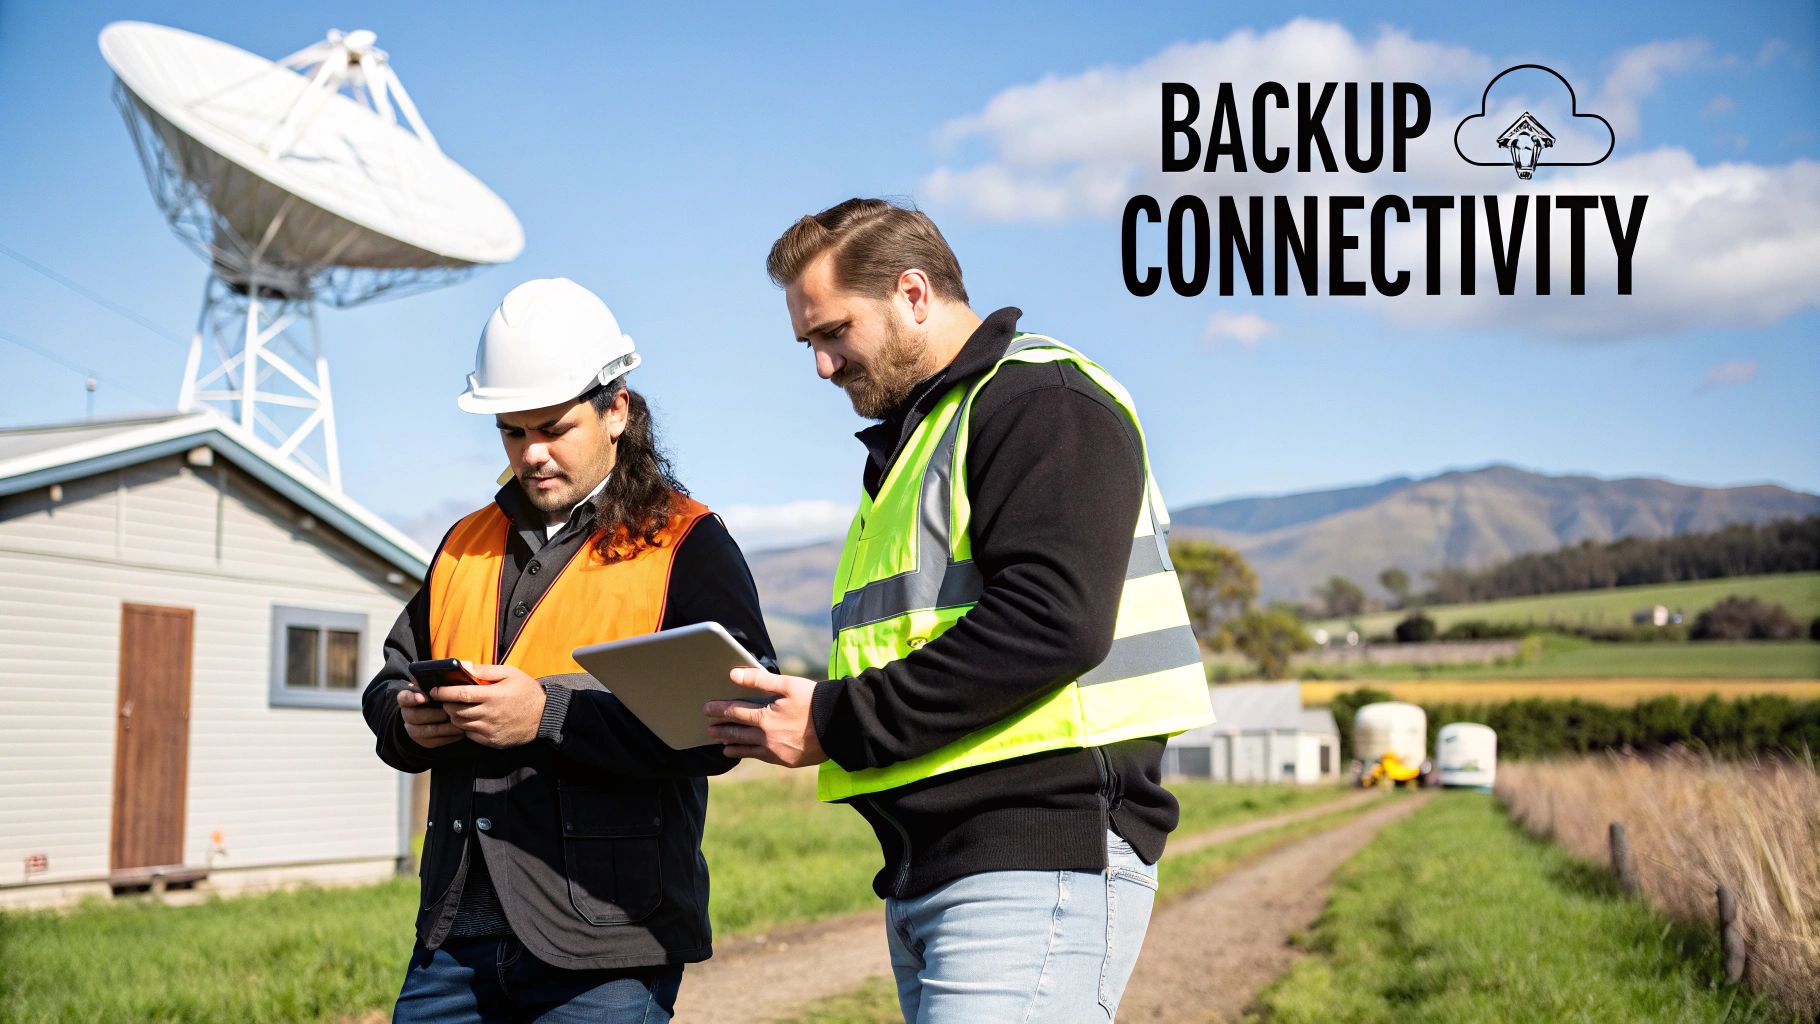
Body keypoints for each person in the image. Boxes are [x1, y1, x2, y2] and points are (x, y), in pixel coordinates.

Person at [705, 199, 1215, 1022]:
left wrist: (836, 722)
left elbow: (1053, 620)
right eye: (809, 344)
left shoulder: (1040, 400)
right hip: (940, 866)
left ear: (913, 293)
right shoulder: (923, 440)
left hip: (1038, 852)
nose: (823, 367)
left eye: (834, 332)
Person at [363, 277, 775, 1023]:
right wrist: (405, 719)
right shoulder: (464, 543)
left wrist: (546, 716)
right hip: (454, 943)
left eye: (553, 427)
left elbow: (733, 718)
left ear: (616, 410)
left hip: (606, 949)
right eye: (513, 433)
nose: (533, 453)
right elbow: (389, 680)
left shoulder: (686, 542)